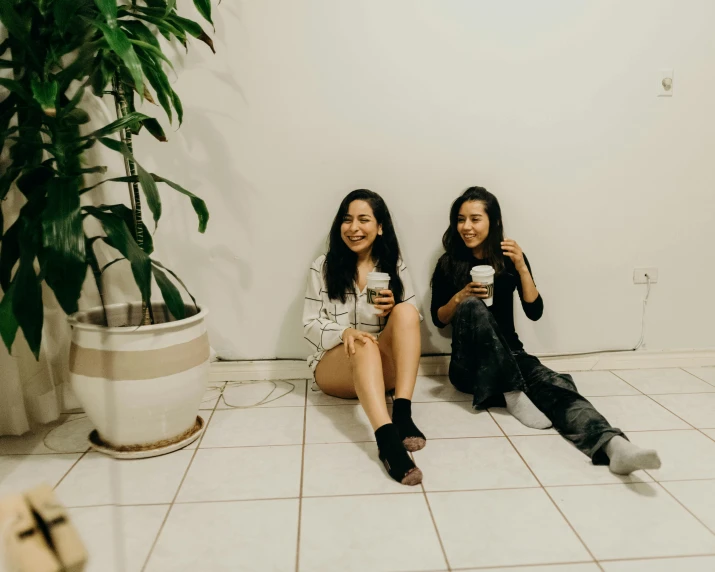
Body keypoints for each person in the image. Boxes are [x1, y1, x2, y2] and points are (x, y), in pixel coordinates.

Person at [430, 186, 661, 475]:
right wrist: (461, 296)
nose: (466, 227)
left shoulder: (508, 257)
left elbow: (534, 311)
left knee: (557, 388)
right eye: (461, 219)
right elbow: (438, 319)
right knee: (473, 306)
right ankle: (512, 391)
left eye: (475, 219)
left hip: (512, 355)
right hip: (469, 368)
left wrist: (521, 266)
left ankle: (615, 447)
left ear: (493, 222)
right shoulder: (448, 263)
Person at [303, 189, 426, 485]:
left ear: (380, 226)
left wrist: (391, 310)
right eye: (347, 220)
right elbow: (308, 325)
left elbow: (411, 323)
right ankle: (386, 441)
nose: (354, 228)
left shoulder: (393, 265)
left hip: (381, 369)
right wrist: (343, 332)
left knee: (407, 312)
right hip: (336, 368)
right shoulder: (324, 266)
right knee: (362, 343)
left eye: (363, 220)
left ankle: (403, 414)